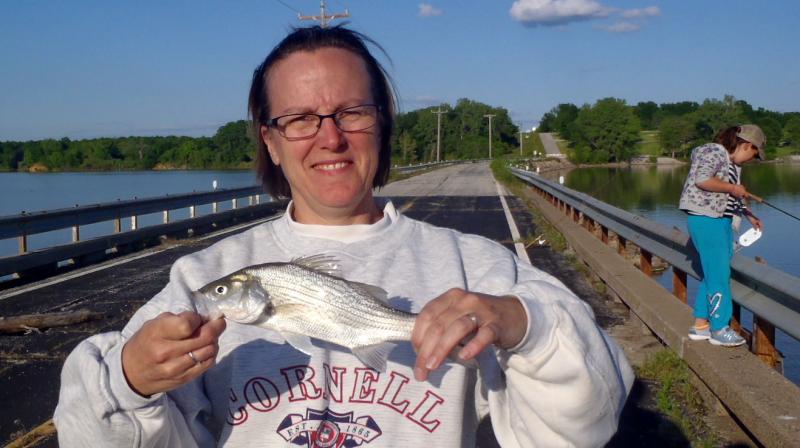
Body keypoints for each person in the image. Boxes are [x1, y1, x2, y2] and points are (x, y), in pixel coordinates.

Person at [55, 26, 633, 447]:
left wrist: (523, 325)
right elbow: (89, 432)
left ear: (381, 122)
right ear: (271, 142)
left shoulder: (477, 268)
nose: (329, 138)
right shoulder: (200, 281)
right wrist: (130, 380)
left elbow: (589, 421)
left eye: (351, 112)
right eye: (300, 119)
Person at [680, 124, 766, 347]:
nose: (750, 160)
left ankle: (701, 325)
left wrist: (749, 214)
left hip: (723, 222)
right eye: (752, 155)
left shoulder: (734, 165)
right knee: (719, 275)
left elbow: (734, 194)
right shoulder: (714, 152)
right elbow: (702, 179)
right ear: (746, 145)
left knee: (713, 273)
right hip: (707, 220)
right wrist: (732, 188)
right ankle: (720, 328)